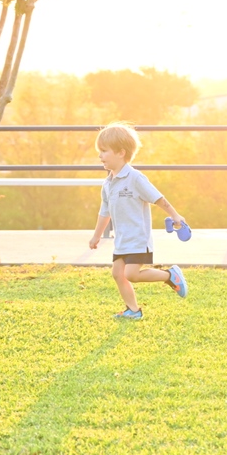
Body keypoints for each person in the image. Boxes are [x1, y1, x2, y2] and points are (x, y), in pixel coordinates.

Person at [88, 122, 188, 319]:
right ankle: (133, 310)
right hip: (122, 240)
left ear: (121, 153)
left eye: (104, 151)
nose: (100, 156)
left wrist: (175, 216)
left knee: (131, 274)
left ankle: (170, 275)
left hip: (138, 239)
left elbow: (158, 198)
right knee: (118, 274)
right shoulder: (108, 183)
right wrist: (96, 236)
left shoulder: (135, 178)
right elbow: (104, 212)